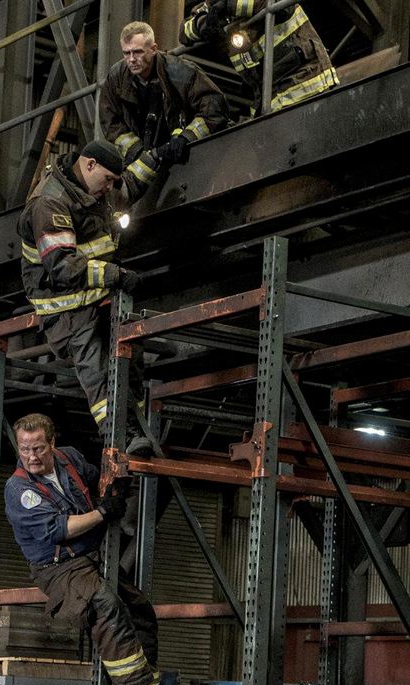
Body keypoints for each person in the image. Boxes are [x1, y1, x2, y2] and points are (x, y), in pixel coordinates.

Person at [4, 413, 161, 685]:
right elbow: (58, 530)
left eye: (38, 448)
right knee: (104, 602)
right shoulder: (19, 490)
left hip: (92, 555)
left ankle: (149, 681)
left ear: (52, 442)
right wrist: (103, 512)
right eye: (24, 449)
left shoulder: (69, 459)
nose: (31, 457)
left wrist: (117, 485)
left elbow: (95, 480)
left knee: (139, 606)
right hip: (58, 567)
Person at [17, 138, 150, 455]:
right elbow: (61, 267)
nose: (109, 188)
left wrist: (158, 157)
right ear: (89, 165)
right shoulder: (49, 203)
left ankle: (140, 429)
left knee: (132, 359)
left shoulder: (92, 189)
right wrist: (113, 275)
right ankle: (121, 437)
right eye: (107, 180)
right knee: (97, 369)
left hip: (96, 294)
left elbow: (128, 187)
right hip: (66, 305)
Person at [99, 21, 229, 198]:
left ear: (153, 49)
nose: (131, 59)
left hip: (183, 152)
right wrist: (138, 151)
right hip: (146, 157)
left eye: (137, 52)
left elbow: (214, 107)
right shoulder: (116, 77)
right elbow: (111, 123)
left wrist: (186, 137)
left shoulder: (180, 72)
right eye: (126, 53)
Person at [179, 1, 339, 116]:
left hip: (308, 85)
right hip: (269, 100)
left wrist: (228, 6)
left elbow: (275, 5)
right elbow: (183, 32)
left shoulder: (227, 4)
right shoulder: (212, 4)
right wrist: (203, 22)